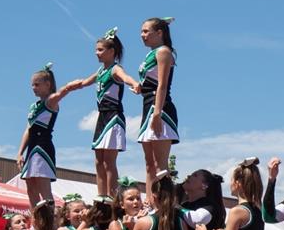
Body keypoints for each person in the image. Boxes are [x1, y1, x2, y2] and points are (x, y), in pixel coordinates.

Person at [60, 27, 143, 195]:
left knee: (109, 162)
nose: (96, 53)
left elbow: (126, 77)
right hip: (102, 117)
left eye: (100, 50)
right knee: (98, 161)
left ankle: (113, 197)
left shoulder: (115, 69)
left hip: (113, 115)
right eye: (96, 50)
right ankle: (101, 196)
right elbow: (85, 82)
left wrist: (134, 84)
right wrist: (69, 87)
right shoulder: (100, 71)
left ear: (111, 51)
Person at [136, 17, 179, 202]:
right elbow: (150, 82)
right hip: (148, 107)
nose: (142, 35)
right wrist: (140, 87)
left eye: (146, 31)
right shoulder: (150, 54)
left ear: (159, 33)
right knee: (149, 164)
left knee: (160, 165)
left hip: (160, 109)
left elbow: (162, 85)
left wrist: (157, 113)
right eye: (142, 31)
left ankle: (164, 205)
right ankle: (150, 202)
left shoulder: (163, 52)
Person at [17, 62, 66, 208]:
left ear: (48, 84)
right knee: (30, 187)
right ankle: (36, 222)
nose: (33, 88)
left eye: (37, 84)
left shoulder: (51, 102)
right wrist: (19, 152)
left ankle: (49, 224)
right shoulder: (34, 106)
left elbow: (61, 93)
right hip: (31, 148)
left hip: (43, 147)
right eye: (32, 85)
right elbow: (28, 129)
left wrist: (72, 86)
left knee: (43, 187)